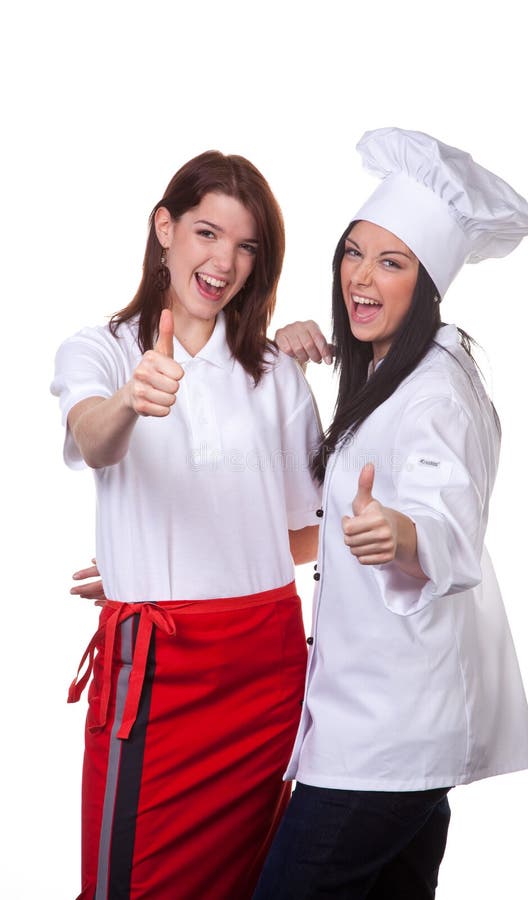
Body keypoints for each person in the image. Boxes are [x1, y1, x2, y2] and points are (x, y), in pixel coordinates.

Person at [252, 127, 528, 899]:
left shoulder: (438, 392)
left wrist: (403, 533)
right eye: (353, 253)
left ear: (428, 284)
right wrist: (283, 355)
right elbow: (318, 517)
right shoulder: (389, 373)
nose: (361, 277)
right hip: (388, 732)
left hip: (383, 743)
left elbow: (449, 519)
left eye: (392, 261)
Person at [51, 150, 322, 900]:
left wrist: (176, 549)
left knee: (248, 879)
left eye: (245, 246)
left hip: (266, 668)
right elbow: (94, 438)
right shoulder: (102, 351)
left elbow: (309, 533)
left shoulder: (275, 373)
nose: (223, 261)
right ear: (164, 229)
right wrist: (133, 401)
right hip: (161, 676)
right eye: (206, 233)